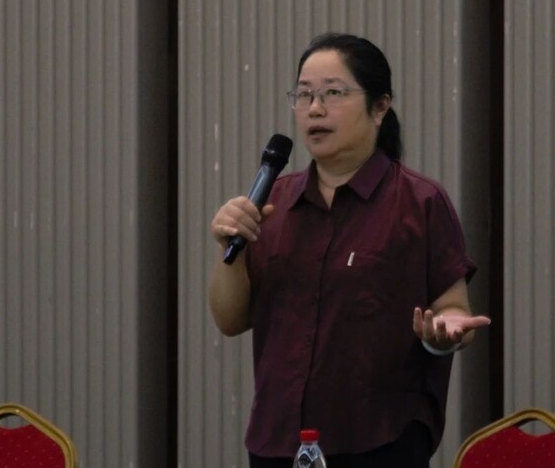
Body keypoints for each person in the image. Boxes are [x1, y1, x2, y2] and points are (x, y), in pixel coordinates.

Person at [208, 32, 491, 468]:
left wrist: (444, 332)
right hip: (278, 442)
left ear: (380, 107)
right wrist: (231, 249)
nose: (315, 108)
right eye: (304, 95)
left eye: (333, 93)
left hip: (379, 440)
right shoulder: (271, 204)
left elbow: (453, 309)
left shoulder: (419, 203)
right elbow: (230, 320)